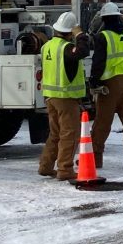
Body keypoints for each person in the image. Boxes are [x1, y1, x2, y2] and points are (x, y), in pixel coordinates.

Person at [38, 11, 92, 181]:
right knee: (69, 133)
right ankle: (65, 169)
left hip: (51, 96)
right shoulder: (66, 48)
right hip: (65, 97)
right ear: (70, 32)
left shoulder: (47, 46)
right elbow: (83, 52)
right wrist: (81, 35)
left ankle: (46, 166)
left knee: (55, 133)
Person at [89, 1, 123, 170]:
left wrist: (94, 82)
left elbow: (99, 62)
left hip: (110, 83)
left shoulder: (103, 36)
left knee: (102, 123)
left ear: (104, 19)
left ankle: (95, 158)